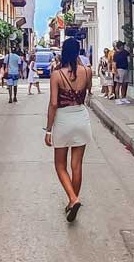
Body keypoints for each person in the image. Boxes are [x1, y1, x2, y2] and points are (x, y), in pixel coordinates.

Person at [45, 37, 92, 223]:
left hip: (64, 119)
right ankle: (72, 200)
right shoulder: (87, 71)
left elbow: (54, 103)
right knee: (77, 164)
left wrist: (48, 129)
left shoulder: (56, 75)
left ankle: (73, 199)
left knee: (60, 165)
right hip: (81, 116)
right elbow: (87, 90)